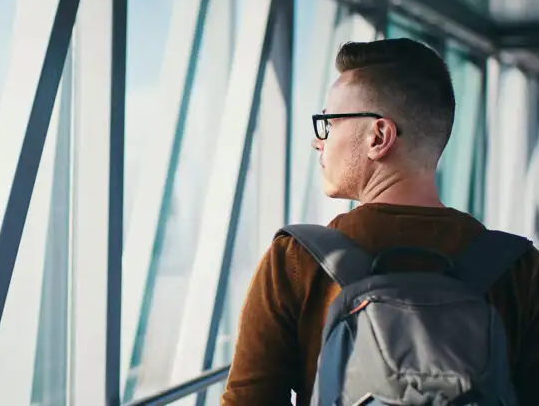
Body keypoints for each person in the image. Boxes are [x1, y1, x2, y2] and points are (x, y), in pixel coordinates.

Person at [221, 38, 539, 405]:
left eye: (329, 123)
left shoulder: (296, 260)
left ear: (379, 136)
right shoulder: (519, 268)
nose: (318, 142)